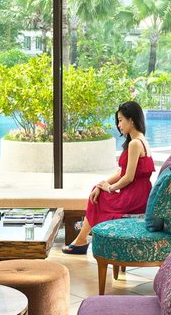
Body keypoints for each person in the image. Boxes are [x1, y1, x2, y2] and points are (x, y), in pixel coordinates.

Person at [63, 101, 155, 254]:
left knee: (98, 198)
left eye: (120, 120)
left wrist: (110, 188)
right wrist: (103, 184)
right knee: (97, 189)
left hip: (134, 199)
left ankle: (82, 237)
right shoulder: (141, 140)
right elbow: (122, 172)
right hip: (139, 195)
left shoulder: (135, 144)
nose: (118, 125)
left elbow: (129, 177)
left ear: (131, 120)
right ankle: (83, 235)